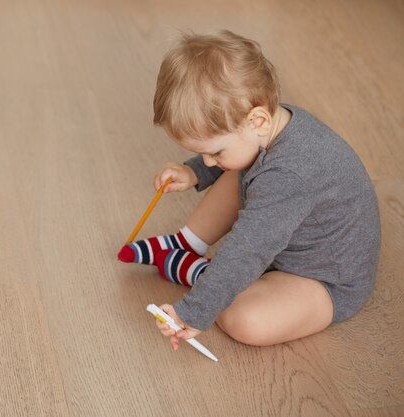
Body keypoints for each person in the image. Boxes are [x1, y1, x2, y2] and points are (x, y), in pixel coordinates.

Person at [118, 30, 381, 348]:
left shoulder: (288, 176)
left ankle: (202, 272)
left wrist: (194, 311)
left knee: (241, 319)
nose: (209, 161)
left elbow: (248, 249)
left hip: (325, 279)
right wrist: (194, 171)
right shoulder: (269, 122)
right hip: (285, 236)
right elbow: (236, 162)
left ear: (257, 121)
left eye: (213, 152)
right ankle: (185, 244)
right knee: (237, 168)